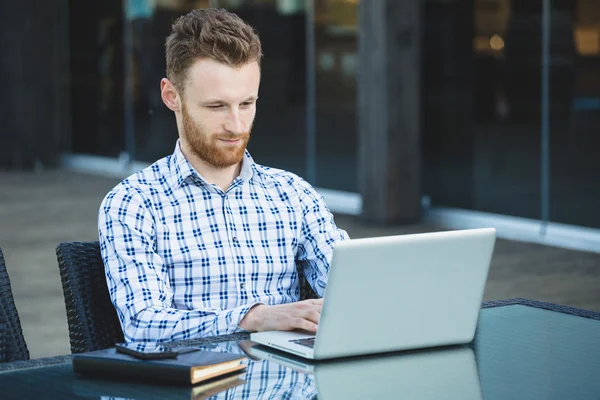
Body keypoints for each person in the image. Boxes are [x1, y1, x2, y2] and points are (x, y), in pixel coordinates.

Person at [98, 8, 348, 344]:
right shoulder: (134, 204)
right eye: (217, 107)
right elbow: (144, 324)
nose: (237, 125)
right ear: (172, 96)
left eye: (247, 103)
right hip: (190, 390)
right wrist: (254, 318)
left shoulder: (293, 194)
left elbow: (353, 292)